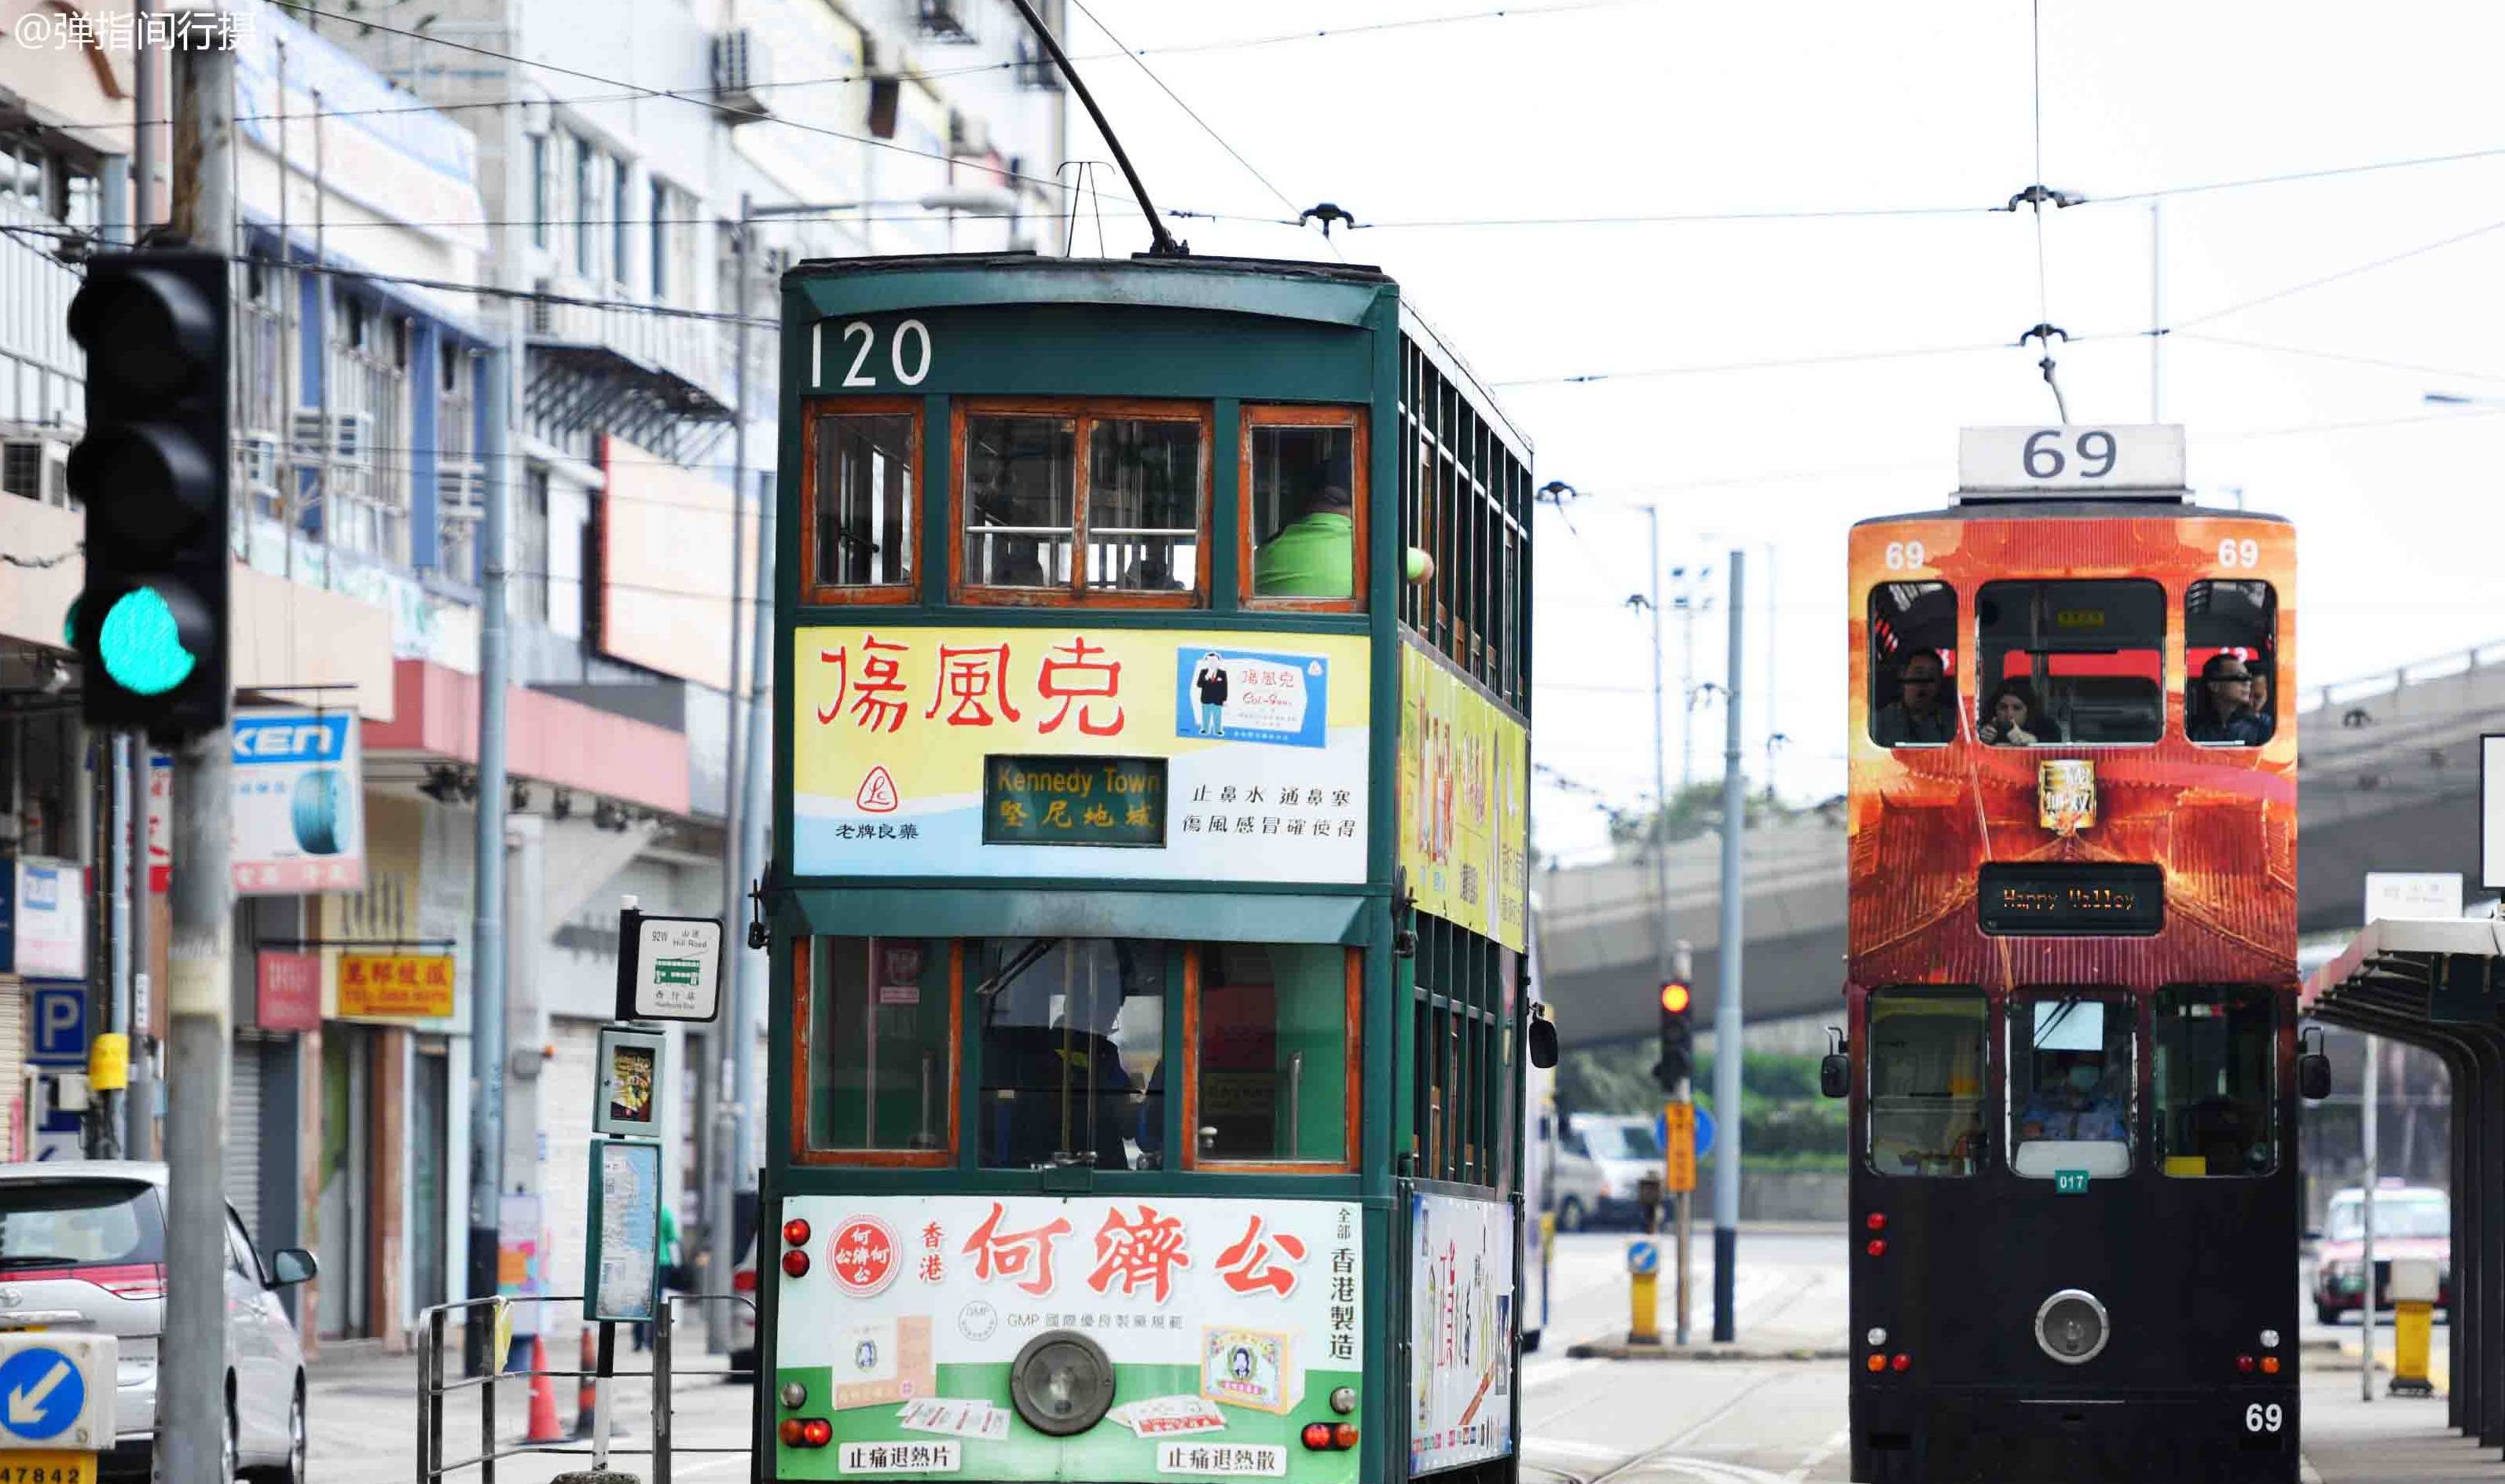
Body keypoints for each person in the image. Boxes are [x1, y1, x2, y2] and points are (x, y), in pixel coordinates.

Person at [1252, 456, 1433, 597]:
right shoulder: (1378, 552)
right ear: (1362, 504)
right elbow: (1427, 567)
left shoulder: (1266, 553)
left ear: (1309, 499)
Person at [2019, 1052, 2127, 1141]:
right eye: (2082, 1065)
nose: (2089, 1071)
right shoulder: (2043, 1102)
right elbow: (2031, 1135)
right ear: (2066, 1070)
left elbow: (2119, 1145)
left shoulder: (2108, 1108)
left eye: (2094, 1066)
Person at [1871, 650, 1956, 746]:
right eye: (1918, 673)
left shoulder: (1953, 724)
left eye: (1932, 676)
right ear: (1903, 675)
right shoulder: (1878, 723)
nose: (1924, 683)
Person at [2190, 651, 2272, 745]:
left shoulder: (2263, 726)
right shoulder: (2193, 729)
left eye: (2248, 677)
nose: (2248, 683)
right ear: (2214, 685)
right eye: (2240, 677)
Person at [1977, 680, 2042, 746]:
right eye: (2003, 707)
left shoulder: (2045, 732)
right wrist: (1981, 740)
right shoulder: (1985, 730)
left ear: (2029, 712)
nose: (2009, 714)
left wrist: (2033, 743)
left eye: (2017, 708)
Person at [1193, 651, 1229, 735]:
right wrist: (1207, 676)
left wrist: (1224, 699)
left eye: (1214, 661)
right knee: (1206, 715)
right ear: (1206, 662)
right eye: (1210, 661)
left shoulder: (1222, 673)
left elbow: (1225, 687)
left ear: (1218, 662)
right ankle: (1205, 729)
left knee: (1217, 716)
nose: (1212, 663)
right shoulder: (1203, 672)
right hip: (1206, 698)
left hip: (1218, 699)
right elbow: (1199, 684)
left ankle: (1218, 730)